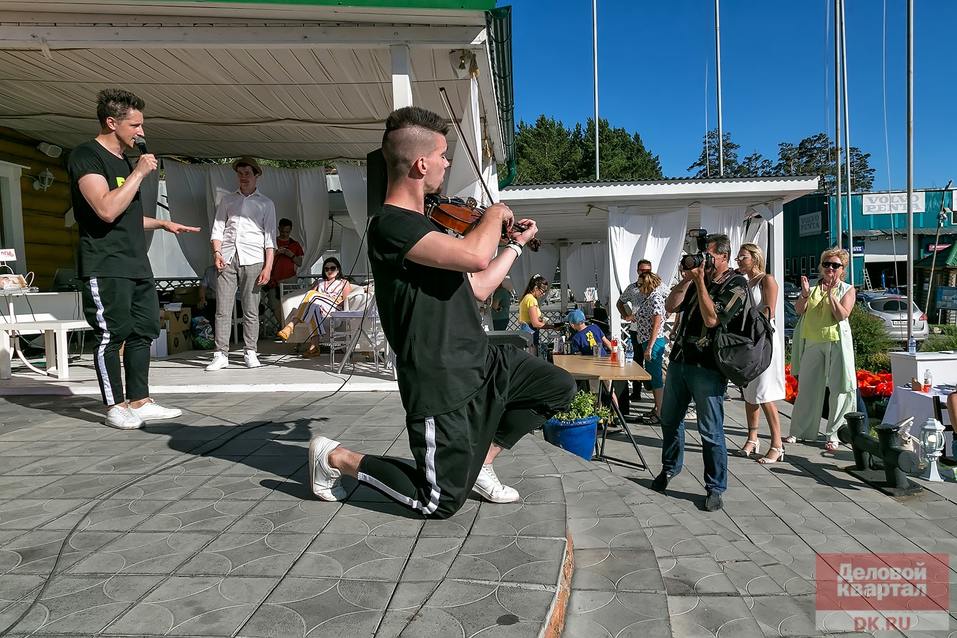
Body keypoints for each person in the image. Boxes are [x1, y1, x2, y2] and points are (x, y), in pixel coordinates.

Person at [305, 106, 576, 518]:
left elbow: (479, 285)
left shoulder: (431, 231)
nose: (447, 163)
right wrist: (495, 213)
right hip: (439, 377)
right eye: (444, 155)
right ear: (420, 163)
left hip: (481, 359)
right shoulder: (390, 225)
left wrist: (515, 246)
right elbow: (474, 255)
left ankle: (482, 463)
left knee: (557, 387)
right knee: (439, 502)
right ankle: (335, 458)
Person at [67, 88, 199, 429]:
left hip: (136, 261)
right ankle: (115, 406)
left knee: (143, 330)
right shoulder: (86, 156)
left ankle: (140, 401)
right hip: (105, 262)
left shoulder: (123, 161)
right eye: (136, 125)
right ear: (112, 122)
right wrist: (139, 173)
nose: (142, 132)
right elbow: (106, 209)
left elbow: (125, 215)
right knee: (112, 334)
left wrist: (162, 222)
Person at [652, 234, 748, 512]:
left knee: (710, 431)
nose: (704, 260)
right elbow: (670, 306)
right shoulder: (696, 281)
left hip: (708, 366)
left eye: (709, 256)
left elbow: (712, 319)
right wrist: (687, 279)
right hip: (681, 360)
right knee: (669, 420)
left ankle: (715, 487)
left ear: (724, 257)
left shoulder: (736, 284)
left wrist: (700, 282)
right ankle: (669, 469)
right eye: (703, 255)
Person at [206, 157, 276, 371]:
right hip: (227, 256)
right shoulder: (228, 200)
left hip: (253, 257)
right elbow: (217, 229)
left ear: (256, 175)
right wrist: (217, 253)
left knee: (251, 308)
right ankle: (220, 353)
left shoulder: (266, 203)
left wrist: (268, 267)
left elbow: (270, 237)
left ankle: (250, 351)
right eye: (240, 173)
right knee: (223, 308)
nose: (243, 177)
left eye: (247, 173)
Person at [787, 247, 857, 452]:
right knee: (807, 387)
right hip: (813, 341)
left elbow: (842, 315)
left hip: (836, 341)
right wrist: (805, 294)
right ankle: (800, 431)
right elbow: (799, 310)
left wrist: (831, 295)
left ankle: (834, 434)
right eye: (826, 264)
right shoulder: (815, 287)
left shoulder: (847, 288)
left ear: (843, 269)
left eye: (835, 265)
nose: (830, 268)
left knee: (838, 389)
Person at [735, 243, 786, 463]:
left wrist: (748, 317)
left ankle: (777, 444)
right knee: (749, 391)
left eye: (742, 257)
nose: (738, 261)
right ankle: (752, 438)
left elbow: (769, 310)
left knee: (765, 393)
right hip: (747, 340)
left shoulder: (767, 280)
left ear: (755, 258)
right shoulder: (744, 283)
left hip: (764, 339)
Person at [276, 257, 351, 357]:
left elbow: (346, 301)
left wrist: (325, 298)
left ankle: (291, 325)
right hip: (319, 311)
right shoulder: (319, 282)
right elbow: (309, 299)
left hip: (334, 310)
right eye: (326, 269)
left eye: (332, 268)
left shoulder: (343, 282)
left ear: (338, 269)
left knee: (313, 295)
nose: (329, 271)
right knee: (312, 308)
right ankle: (314, 347)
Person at [621, 271, 668, 425]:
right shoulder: (647, 298)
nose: (638, 287)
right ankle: (658, 407)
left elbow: (657, 324)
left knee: (655, 377)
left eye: (641, 284)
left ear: (648, 284)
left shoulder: (655, 299)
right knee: (652, 375)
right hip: (645, 340)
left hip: (652, 341)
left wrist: (649, 347)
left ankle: (661, 411)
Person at [618, 259, 655, 402]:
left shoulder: (657, 286)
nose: (644, 273)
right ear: (637, 271)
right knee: (636, 361)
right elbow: (620, 302)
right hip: (636, 329)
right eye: (642, 271)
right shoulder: (633, 288)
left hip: (652, 331)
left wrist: (665, 316)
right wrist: (626, 315)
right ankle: (637, 391)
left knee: (652, 360)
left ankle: (653, 388)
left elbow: (668, 301)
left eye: (647, 271)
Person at [265, 217, 304, 326]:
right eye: (282, 231)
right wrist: (276, 253)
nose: (285, 234)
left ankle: (289, 328)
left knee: (291, 304)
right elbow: (265, 259)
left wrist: (289, 253)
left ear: (291, 230)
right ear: (278, 229)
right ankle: (284, 326)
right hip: (274, 280)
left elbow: (299, 262)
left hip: (290, 279)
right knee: (274, 305)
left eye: (287, 232)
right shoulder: (272, 242)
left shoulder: (295, 244)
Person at [519, 274, 550, 355]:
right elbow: (535, 323)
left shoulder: (527, 297)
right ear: (536, 288)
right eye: (543, 291)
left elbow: (530, 318)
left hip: (526, 332)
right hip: (530, 333)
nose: (543, 294)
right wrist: (553, 327)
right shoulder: (531, 300)